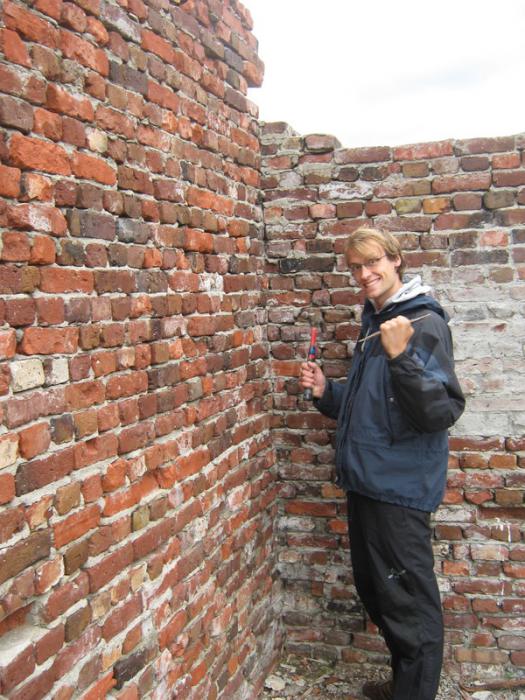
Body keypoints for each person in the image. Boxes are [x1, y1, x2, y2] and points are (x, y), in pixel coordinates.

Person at [299, 227, 465, 700]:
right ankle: (405, 687)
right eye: (356, 266)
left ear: (395, 260)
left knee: (409, 606)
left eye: (373, 262)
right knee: (381, 595)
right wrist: (327, 392)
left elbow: (439, 411)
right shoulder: (377, 320)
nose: (364, 273)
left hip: (400, 489)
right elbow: (375, 408)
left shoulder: (422, 322)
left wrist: (401, 357)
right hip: (367, 481)